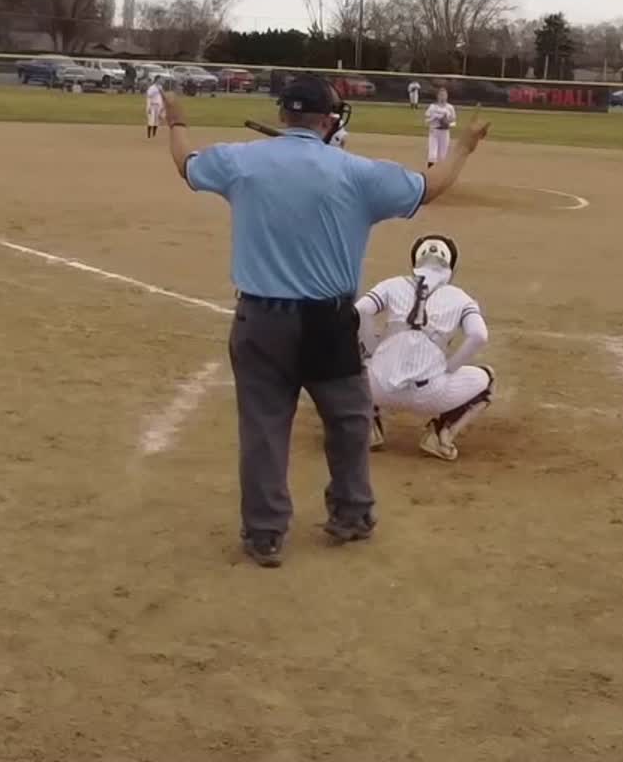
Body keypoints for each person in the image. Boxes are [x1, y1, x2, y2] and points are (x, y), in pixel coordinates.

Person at [165, 76, 488, 568]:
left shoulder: (241, 161)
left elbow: (186, 165)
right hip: (328, 321)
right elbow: (429, 187)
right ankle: (352, 513)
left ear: (283, 115)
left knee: (264, 427)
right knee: (350, 419)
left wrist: (176, 121)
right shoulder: (356, 172)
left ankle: (265, 532)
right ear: (329, 120)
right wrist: (463, 145)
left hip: (260, 318)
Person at [355, 235, 494, 461]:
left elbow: (360, 310)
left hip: (378, 388)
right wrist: (450, 367)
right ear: (450, 266)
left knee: (348, 360)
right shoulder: (461, 298)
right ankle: (440, 436)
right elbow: (479, 335)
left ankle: (366, 428)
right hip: (431, 395)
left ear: (415, 262)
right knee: (487, 379)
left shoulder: (392, 285)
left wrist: (371, 349)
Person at [424, 88, 456, 168]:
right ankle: (429, 171)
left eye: (444, 95)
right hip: (434, 132)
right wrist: (434, 118)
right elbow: (426, 120)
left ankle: (439, 173)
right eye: (441, 95)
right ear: (437, 96)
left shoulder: (450, 107)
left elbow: (453, 121)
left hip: (445, 133)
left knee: (443, 156)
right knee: (432, 154)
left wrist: (448, 124)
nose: (443, 97)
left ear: (447, 96)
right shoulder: (432, 107)